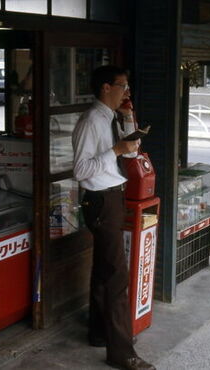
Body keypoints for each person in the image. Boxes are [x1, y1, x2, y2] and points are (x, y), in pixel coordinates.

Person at [72, 65, 155, 370]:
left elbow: (130, 155)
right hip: (101, 200)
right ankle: (122, 352)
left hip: (113, 196)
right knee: (117, 276)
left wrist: (129, 136)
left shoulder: (111, 118)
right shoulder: (91, 120)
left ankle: (98, 332)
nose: (126, 92)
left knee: (104, 270)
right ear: (106, 87)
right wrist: (116, 150)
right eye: (122, 86)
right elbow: (81, 170)